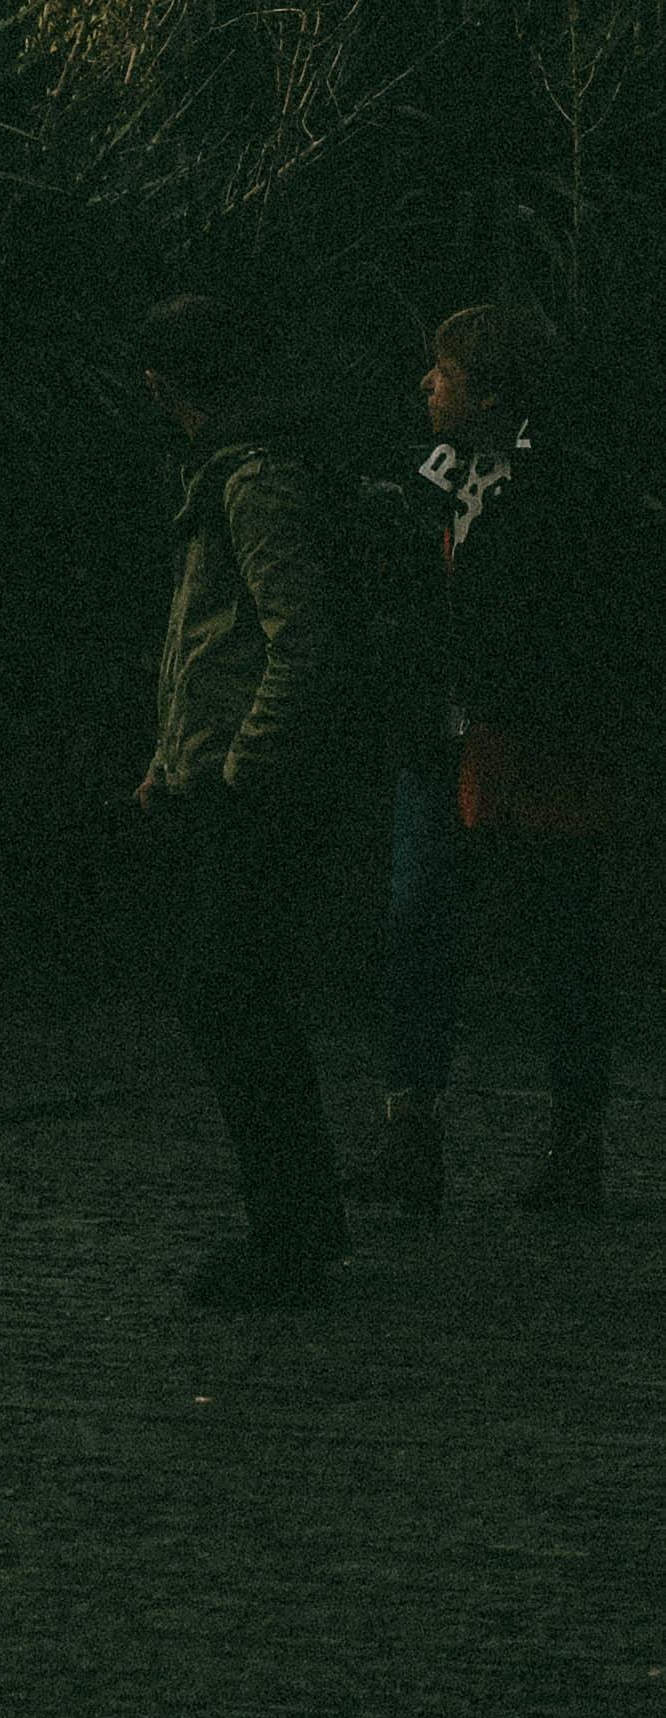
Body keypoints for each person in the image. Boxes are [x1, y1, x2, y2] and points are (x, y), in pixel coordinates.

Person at [358, 300, 614, 1224]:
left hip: (528, 738)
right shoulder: (427, 475)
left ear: (489, 386)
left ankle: (574, 1144)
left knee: (557, 939)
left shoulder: (560, 485)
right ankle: (410, 1129)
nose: (428, 382)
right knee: (418, 916)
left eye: (445, 368)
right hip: (440, 732)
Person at [135, 287, 348, 1310]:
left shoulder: (250, 475)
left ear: (162, 382)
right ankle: (298, 1221)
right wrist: (173, 757)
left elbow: (291, 634)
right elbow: (208, 641)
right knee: (234, 990)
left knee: (224, 988)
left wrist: (240, 763)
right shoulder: (233, 466)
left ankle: (290, 1228)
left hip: (253, 783)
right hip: (228, 772)